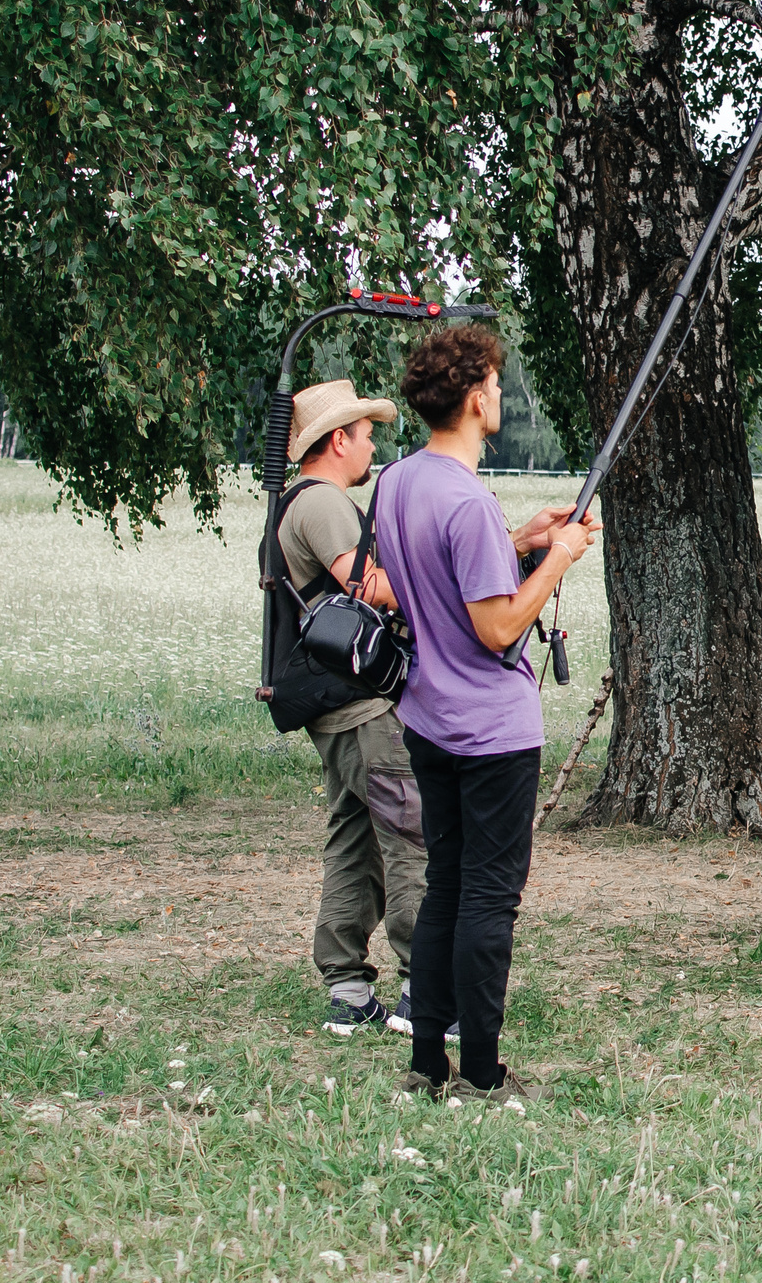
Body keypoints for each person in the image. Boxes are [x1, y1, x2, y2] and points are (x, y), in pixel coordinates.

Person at [368, 324, 596, 1100]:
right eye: (496, 383)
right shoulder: (465, 499)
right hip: (491, 730)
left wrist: (523, 537)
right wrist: (557, 559)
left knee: (446, 886)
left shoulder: (399, 482)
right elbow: (497, 625)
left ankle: (427, 1063)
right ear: (474, 397)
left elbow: (440, 565)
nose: (500, 393)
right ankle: (485, 1072)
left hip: (427, 715)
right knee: (490, 898)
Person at [270, 379, 432, 1038]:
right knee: (411, 834)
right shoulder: (323, 504)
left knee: (354, 837)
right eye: (365, 435)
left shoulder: (293, 503)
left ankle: (346, 988)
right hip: (365, 710)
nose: (372, 446)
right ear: (338, 440)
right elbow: (368, 588)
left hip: (334, 709)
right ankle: (426, 987)